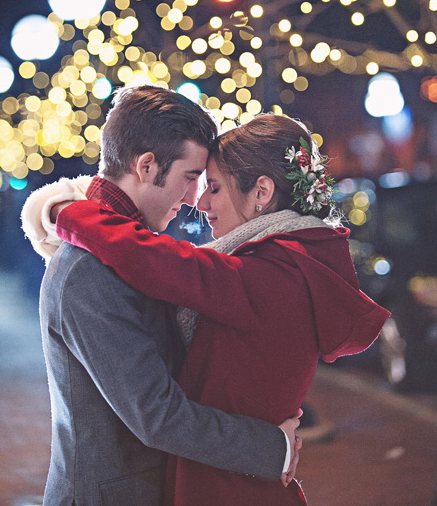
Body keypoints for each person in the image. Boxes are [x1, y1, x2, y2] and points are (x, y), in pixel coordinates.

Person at [36, 111, 391, 505]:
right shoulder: (289, 264)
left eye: (213, 187)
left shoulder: (271, 275)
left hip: (227, 488)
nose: (199, 202)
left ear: (261, 193)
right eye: (194, 180)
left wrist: (62, 210)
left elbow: (154, 260)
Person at [21, 86, 301, 506]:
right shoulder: (87, 270)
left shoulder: (131, 251)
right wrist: (272, 448)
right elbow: (156, 415)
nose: (194, 200)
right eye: (191, 178)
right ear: (147, 166)